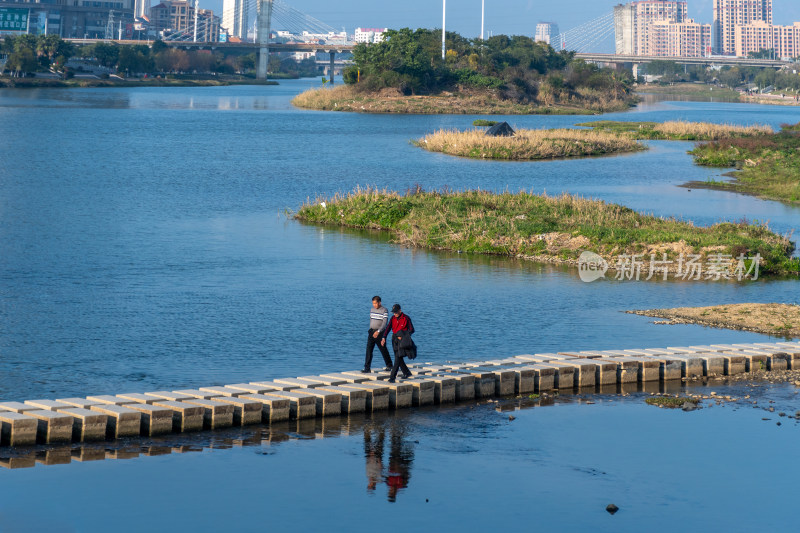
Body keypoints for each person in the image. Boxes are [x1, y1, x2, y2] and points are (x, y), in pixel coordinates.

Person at [382, 303, 414, 382]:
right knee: (398, 357)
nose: (395, 313)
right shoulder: (393, 318)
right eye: (394, 312)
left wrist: (403, 335)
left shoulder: (406, 318)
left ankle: (392, 377)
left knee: (398, 358)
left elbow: (412, 330)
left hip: (403, 340)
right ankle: (407, 372)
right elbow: (388, 328)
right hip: (394, 339)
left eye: (396, 312)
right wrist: (384, 337)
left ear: (400, 310)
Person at [363, 296, 392, 373]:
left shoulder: (384, 310)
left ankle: (389, 365)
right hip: (371, 332)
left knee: (383, 349)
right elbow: (371, 320)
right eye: (373, 303)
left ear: (379, 302)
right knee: (369, 350)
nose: (374, 305)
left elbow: (385, 323)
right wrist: (371, 331)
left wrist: (378, 331)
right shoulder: (372, 310)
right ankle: (367, 368)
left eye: (375, 303)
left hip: (380, 332)